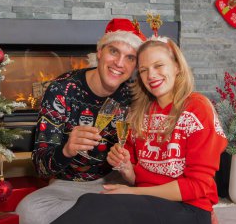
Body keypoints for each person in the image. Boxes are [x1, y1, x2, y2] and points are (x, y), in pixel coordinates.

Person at [51, 37, 227, 224]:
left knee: (106, 208)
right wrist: (126, 168)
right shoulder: (140, 113)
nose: (151, 75)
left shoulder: (196, 107)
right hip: (148, 202)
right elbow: (138, 178)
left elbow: (198, 186)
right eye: (144, 70)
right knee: (89, 201)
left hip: (189, 209)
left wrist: (133, 192)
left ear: (176, 66)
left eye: (159, 66)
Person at [15, 18, 147, 224]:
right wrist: (66, 150)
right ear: (100, 51)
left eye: (130, 58)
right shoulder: (61, 89)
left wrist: (128, 168)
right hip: (67, 186)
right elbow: (40, 167)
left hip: (115, 184)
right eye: (114, 51)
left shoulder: (135, 95)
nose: (120, 63)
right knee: (28, 211)